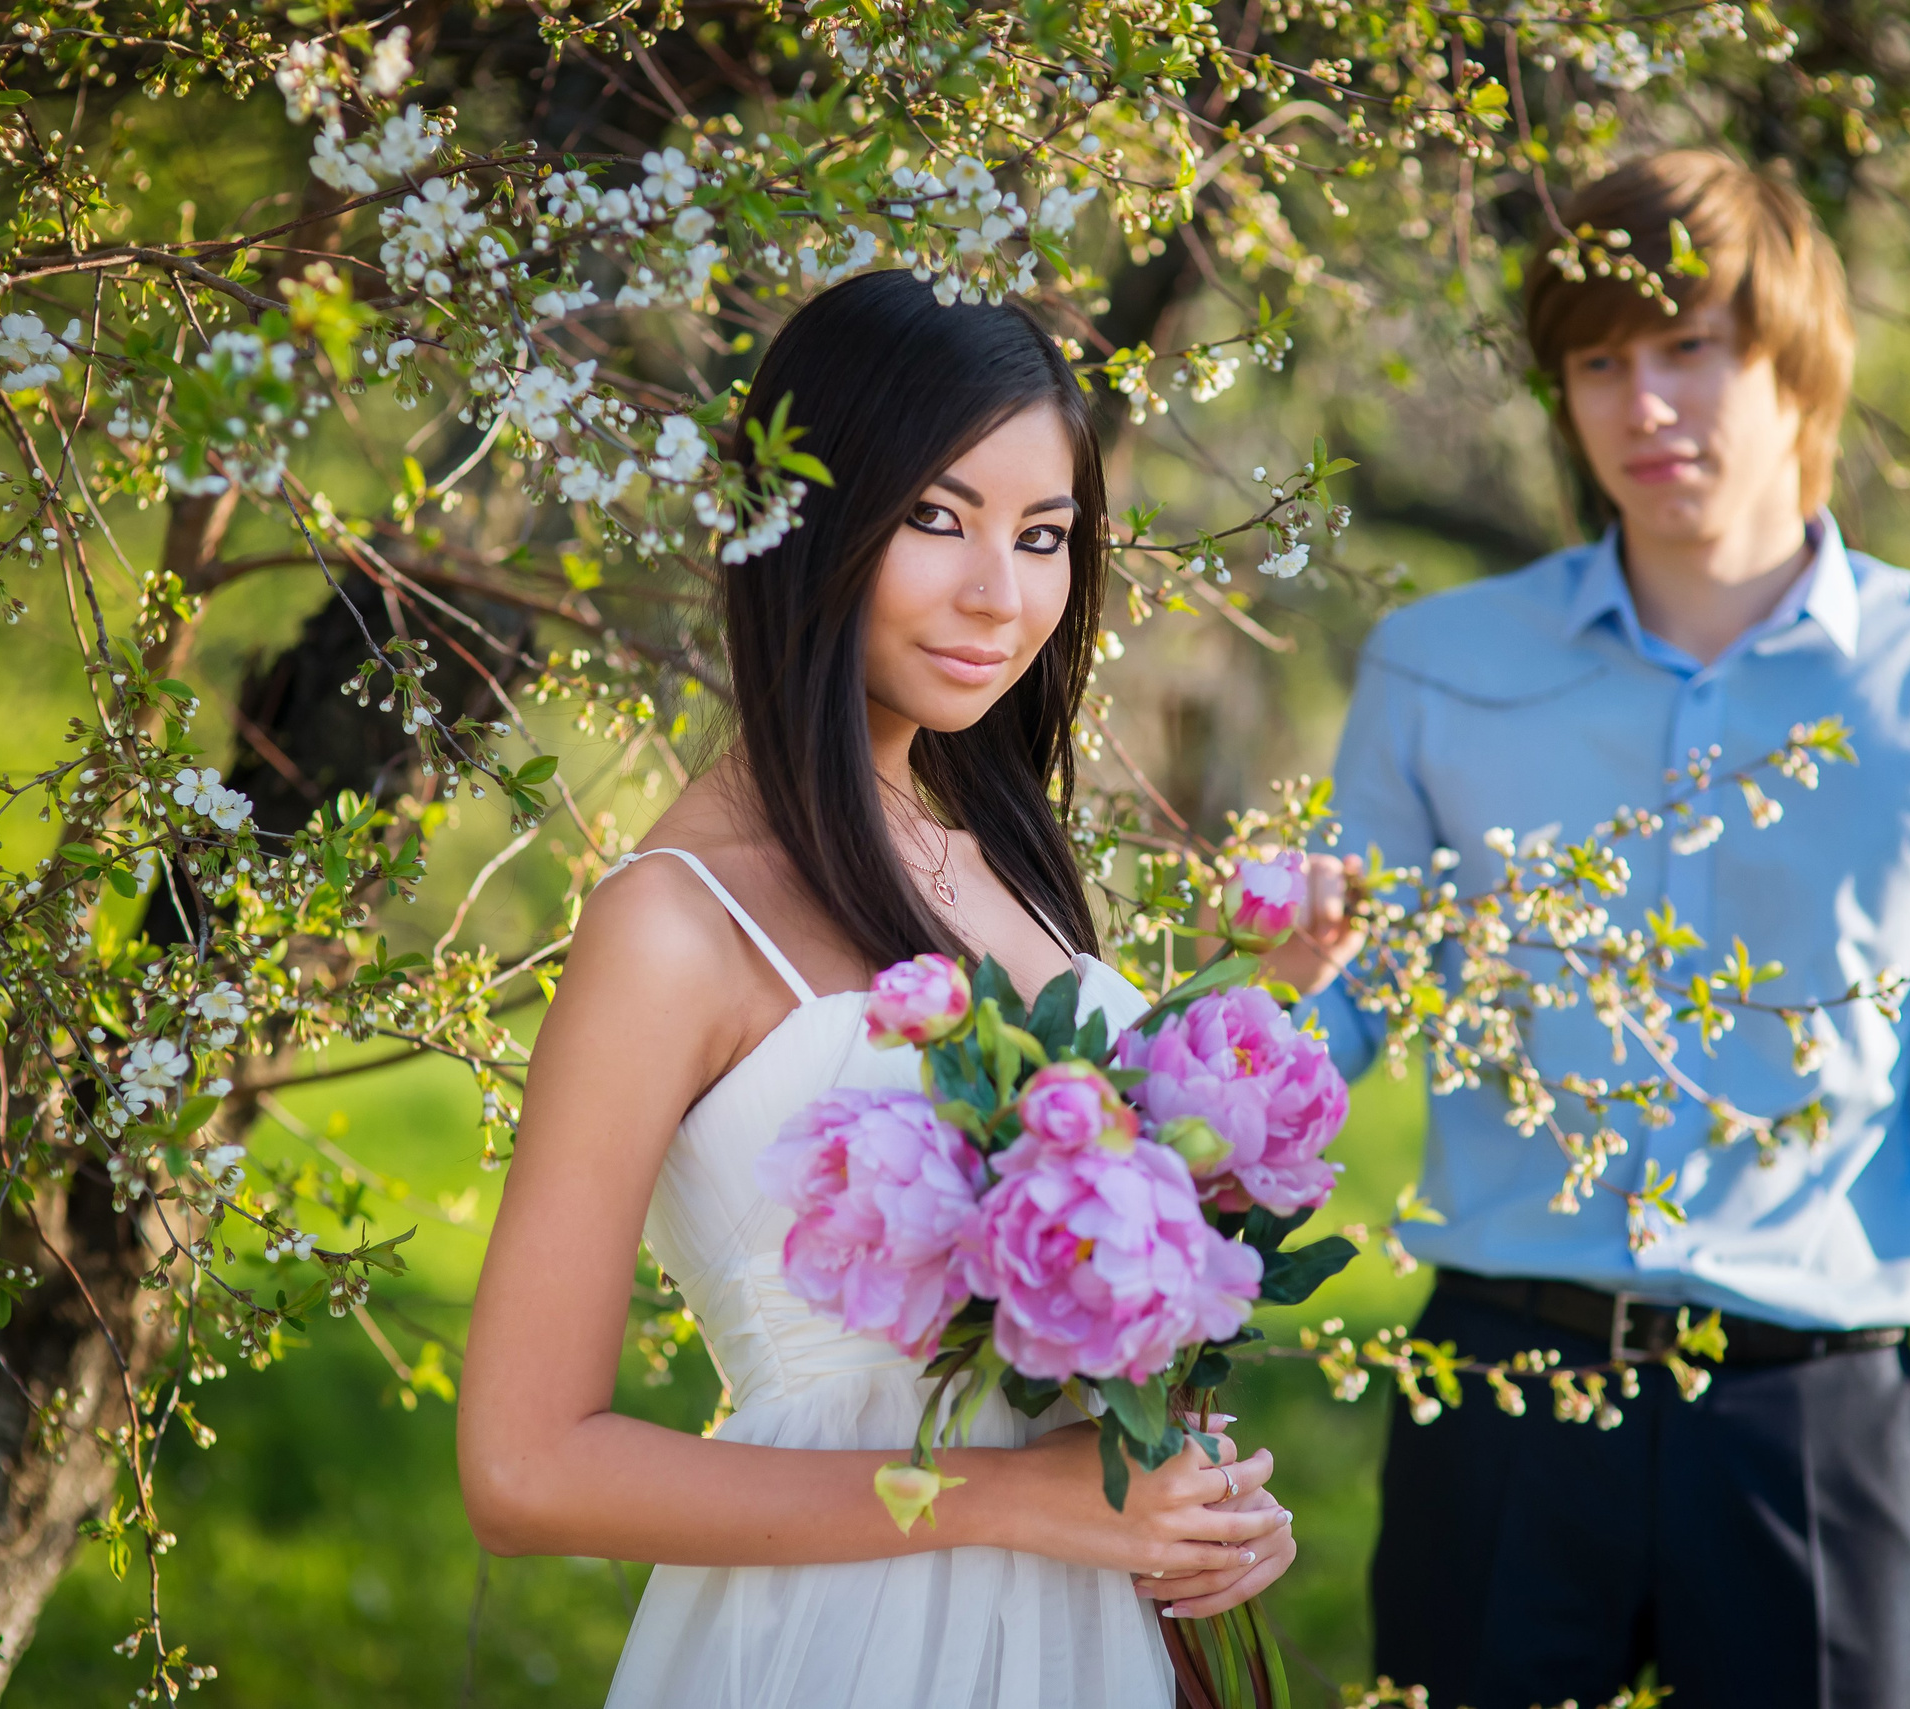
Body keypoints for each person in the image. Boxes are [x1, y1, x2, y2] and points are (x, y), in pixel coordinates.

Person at [1263, 151, 1910, 1709]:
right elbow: (1334, 1021)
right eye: (1598, 361)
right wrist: (1244, 1037)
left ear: (1796, 365)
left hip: (1809, 1421)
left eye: (1688, 349)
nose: (1642, 404)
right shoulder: (1436, 666)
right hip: (1497, 1401)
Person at [456, 269, 1294, 1709]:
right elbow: (527, 1465)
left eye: (1042, 538)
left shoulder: (1007, 869)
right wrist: (1009, 1498)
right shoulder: (675, 924)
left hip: (1083, 1643)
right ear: (805, 520)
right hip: (843, 1648)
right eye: (935, 518)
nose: (1001, 594)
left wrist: (1184, 1493)